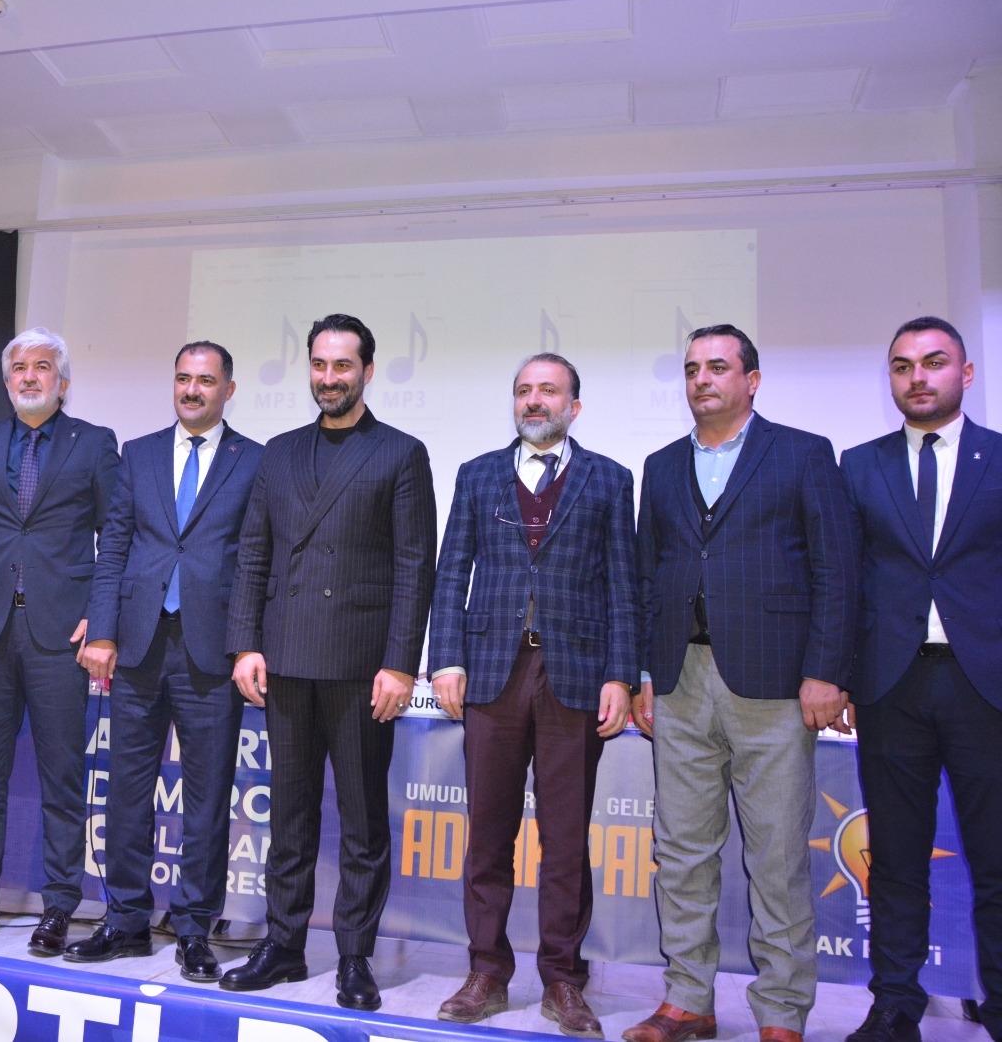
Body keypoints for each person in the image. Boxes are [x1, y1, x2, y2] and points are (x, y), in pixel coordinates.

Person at [627, 325, 857, 1042]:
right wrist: (643, 672)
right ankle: (687, 1001)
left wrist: (827, 671)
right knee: (681, 851)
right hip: (679, 681)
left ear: (751, 381)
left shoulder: (803, 454)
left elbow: (835, 570)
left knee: (779, 857)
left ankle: (782, 1013)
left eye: (718, 367)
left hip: (776, 684)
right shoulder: (662, 465)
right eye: (692, 369)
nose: (702, 379)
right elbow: (647, 576)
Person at [220, 313, 436, 1011]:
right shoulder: (279, 453)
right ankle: (284, 945)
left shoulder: (400, 453)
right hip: (285, 659)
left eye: (342, 365)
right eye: (319, 364)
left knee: (364, 820)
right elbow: (254, 553)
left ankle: (353, 955)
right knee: (289, 814)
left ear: (366, 371)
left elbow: (414, 567)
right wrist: (245, 643)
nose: (329, 377)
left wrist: (400, 664)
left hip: (361, 665)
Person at [428, 353, 636, 1037]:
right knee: (488, 835)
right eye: (523, 390)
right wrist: (445, 659)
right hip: (492, 672)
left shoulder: (610, 479)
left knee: (566, 839)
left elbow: (623, 585)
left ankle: (563, 979)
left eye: (548, 391)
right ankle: (486, 971)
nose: (534, 401)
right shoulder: (477, 473)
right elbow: (451, 571)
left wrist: (621, 675)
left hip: (575, 677)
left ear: (574, 405)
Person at [68, 341, 264, 981]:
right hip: (138, 645)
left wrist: (247, 643)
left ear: (228, 389)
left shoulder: (254, 460)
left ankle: (194, 929)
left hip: (212, 650)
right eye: (183, 378)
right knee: (126, 789)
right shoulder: (140, 453)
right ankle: (124, 920)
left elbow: (256, 560)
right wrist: (102, 630)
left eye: (205, 380)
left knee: (207, 797)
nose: (191, 390)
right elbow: (114, 547)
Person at [840, 317, 1002, 1042]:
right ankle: (895, 1005)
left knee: (996, 861)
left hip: (985, 686)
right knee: (897, 860)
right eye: (902, 366)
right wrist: (839, 676)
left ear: (965, 374)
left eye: (934, 363)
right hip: (891, 686)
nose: (917, 377)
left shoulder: (999, 459)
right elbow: (843, 580)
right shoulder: (859, 465)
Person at [0, 328, 119, 954]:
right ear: (7, 379)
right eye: (19, 367)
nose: (30, 376)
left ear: (62, 382)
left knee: (61, 779)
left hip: (60, 636)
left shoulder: (94, 443)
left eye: (42, 367)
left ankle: (60, 905)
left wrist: (100, 617)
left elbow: (115, 537)